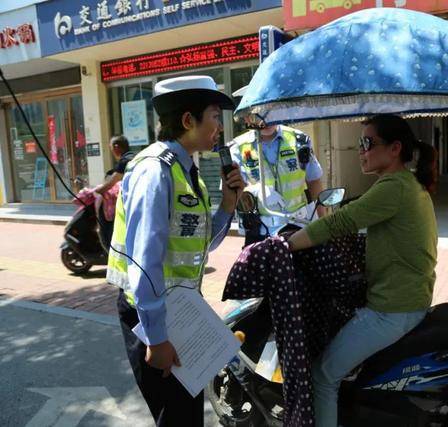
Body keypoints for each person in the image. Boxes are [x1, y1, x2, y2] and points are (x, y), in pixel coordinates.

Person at [106, 75, 245, 426]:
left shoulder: (188, 172)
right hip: (154, 319)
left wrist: (228, 205)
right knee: (177, 417)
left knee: (187, 414)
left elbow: (200, 244)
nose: (219, 127)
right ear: (188, 120)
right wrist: (157, 338)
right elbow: (144, 260)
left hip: (180, 313)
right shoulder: (156, 171)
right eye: (214, 116)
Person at [286, 114, 438, 427]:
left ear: (394, 148)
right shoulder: (408, 184)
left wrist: (286, 245)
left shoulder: (393, 187)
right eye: (359, 143)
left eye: (367, 143)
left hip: (391, 310)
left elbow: (341, 222)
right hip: (409, 301)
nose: (361, 150)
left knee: (322, 375)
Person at [229, 117, 325, 245]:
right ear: (248, 116)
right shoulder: (237, 148)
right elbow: (232, 196)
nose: (266, 119)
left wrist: (323, 225)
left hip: (299, 227)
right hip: (261, 233)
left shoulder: (300, 140)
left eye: (271, 112)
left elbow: (314, 182)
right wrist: (256, 192)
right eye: (259, 113)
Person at [95, 135, 134, 247]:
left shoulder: (125, 161)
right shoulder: (135, 157)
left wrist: (97, 190)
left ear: (116, 148)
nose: (112, 152)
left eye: (112, 149)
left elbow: (110, 184)